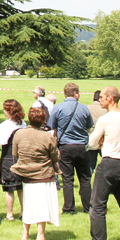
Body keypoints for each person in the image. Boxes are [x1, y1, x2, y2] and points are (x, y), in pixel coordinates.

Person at [86, 87, 120, 240]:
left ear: (110, 98)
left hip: (109, 165)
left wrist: (99, 142)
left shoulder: (105, 119)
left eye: (101, 97)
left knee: (98, 204)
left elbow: (92, 142)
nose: (99, 99)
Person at [11, 107, 60, 240]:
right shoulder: (47, 136)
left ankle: (25, 233)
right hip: (44, 175)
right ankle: (40, 234)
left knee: (28, 203)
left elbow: (15, 153)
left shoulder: (19, 134)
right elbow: (56, 157)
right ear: (43, 120)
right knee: (42, 205)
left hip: (26, 174)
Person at [49, 82, 94, 215]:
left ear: (64, 93)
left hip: (66, 147)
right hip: (81, 147)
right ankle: (88, 207)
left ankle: (69, 208)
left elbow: (54, 129)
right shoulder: (84, 108)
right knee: (85, 178)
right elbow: (89, 127)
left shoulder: (58, 108)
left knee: (67, 179)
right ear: (76, 93)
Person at [0, 98, 26, 221]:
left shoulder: (4, 126)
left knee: (9, 189)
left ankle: (9, 214)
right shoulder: (23, 124)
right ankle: (23, 211)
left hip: (8, 158)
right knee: (21, 187)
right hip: (21, 157)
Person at [86, 90, 107, 176]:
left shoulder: (87, 108)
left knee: (90, 164)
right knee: (106, 163)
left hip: (91, 139)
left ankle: (87, 183)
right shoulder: (106, 110)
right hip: (103, 140)